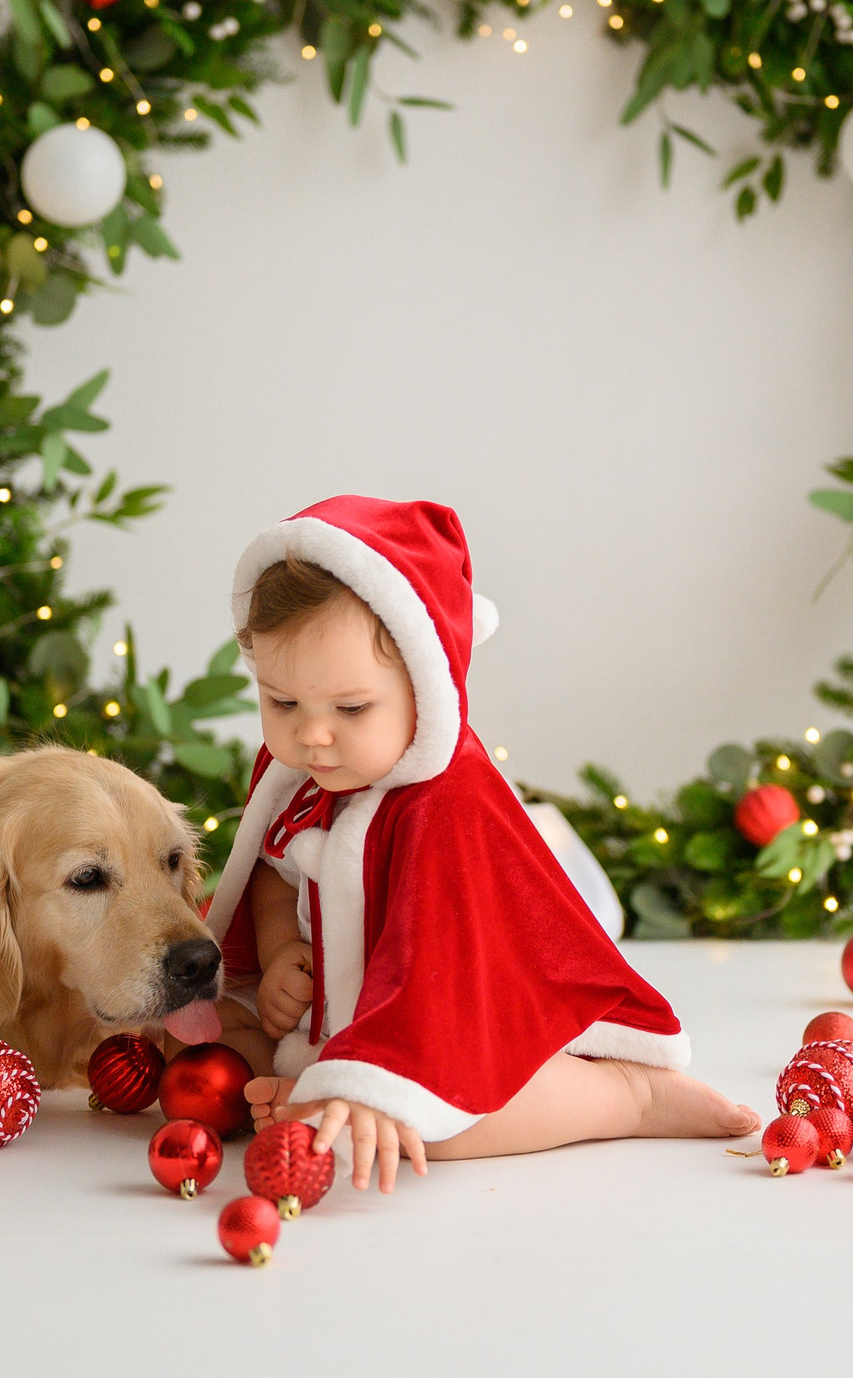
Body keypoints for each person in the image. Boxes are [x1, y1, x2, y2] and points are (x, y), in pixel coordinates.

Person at [199, 496, 759, 1194]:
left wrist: (380, 1071)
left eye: (350, 709)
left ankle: (624, 1096)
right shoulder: (302, 777)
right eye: (283, 704)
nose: (312, 735)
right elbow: (272, 873)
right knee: (213, 1029)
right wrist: (283, 949)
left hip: (457, 1012)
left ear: (426, 685)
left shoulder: (445, 804)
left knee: (437, 1129)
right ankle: (319, 1081)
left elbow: (443, 963)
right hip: (337, 1003)